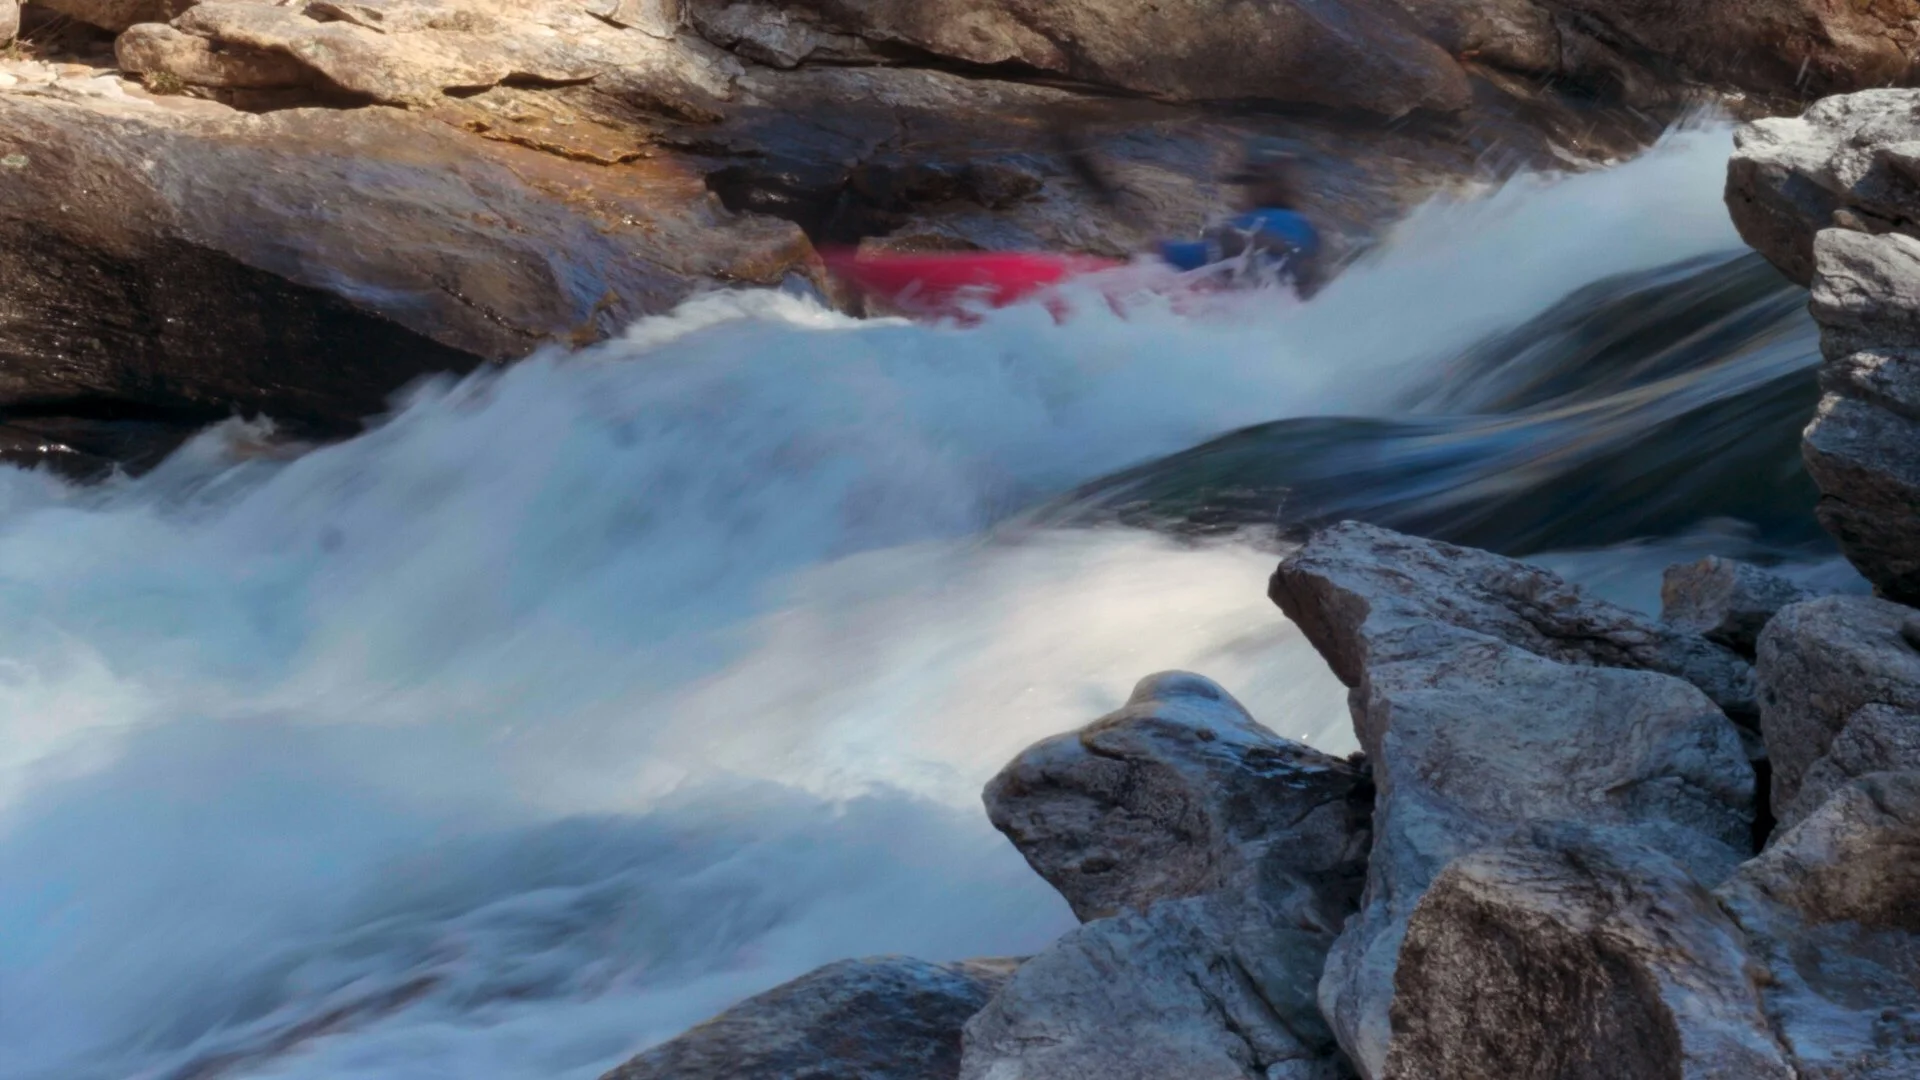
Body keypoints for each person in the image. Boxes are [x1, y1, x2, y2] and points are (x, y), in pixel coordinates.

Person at [1157, 143, 1325, 297]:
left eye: (1246, 185)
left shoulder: (1253, 225)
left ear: (1263, 187)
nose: (1242, 194)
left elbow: (1191, 256)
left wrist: (1153, 248)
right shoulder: (1309, 231)